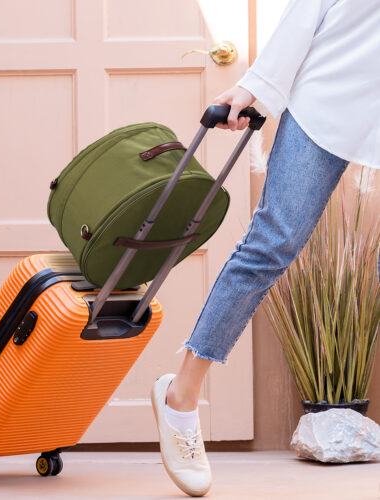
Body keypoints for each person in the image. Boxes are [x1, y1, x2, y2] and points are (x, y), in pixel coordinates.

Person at [150, 0, 380, 496]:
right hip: (326, 101)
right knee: (270, 245)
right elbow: (308, 12)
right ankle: (180, 397)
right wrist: (255, 86)